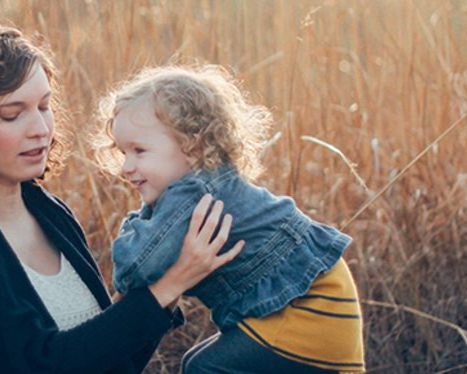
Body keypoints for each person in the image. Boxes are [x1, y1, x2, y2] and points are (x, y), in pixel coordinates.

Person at [0, 26, 245, 374]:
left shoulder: (51, 213)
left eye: (44, 107)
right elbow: (34, 364)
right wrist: (171, 283)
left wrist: (171, 275)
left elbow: (113, 361)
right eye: (12, 114)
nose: (41, 129)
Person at [96, 65, 365, 373]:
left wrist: (134, 225)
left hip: (307, 313)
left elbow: (135, 268)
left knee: (204, 369)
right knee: (194, 363)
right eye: (122, 152)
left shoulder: (192, 196)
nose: (125, 167)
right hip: (323, 299)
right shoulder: (208, 183)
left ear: (191, 146)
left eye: (139, 151)